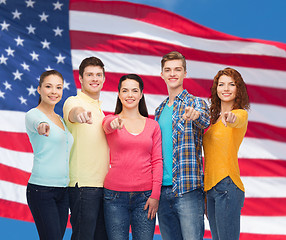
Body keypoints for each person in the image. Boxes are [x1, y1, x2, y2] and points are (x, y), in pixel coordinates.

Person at [155, 51, 210, 240]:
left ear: (185, 73)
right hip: (162, 191)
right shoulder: (159, 110)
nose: (172, 74)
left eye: (177, 69)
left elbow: (205, 120)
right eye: (168, 70)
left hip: (188, 189)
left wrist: (195, 115)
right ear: (162, 74)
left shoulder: (196, 103)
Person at [102, 74, 163, 240]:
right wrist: (113, 123)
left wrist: (155, 195)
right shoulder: (111, 120)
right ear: (119, 94)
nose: (130, 95)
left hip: (145, 197)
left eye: (135, 90)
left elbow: (157, 161)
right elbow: (107, 126)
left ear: (141, 94)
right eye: (125, 90)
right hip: (114, 196)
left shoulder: (153, 126)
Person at [63, 57, 109, 240]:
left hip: (104, 187)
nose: (95, 78)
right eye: (90, 75)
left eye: (98, 75)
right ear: (80, 78)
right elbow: (74, 112)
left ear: (104, 79)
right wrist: (79, 114)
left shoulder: (100, 110)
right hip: (83, 186)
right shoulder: (73, 101)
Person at [25, 70, 73, 240]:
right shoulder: (33, 114)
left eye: (58, 87)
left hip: (63, 191)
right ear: (39, 89)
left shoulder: (61, 119)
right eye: (48, 86)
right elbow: (37, 123)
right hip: (42, 190)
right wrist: (42, 125)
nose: (54, 91)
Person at [203, 67, 250, 240]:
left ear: (238, 89)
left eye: (231, 84)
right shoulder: (213, 121)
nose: (226, 88)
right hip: (211, 189)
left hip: (227, 185)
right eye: (221, 84)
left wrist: (230, 118)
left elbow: (236, 120)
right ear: (216, 89)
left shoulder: (240, 114)